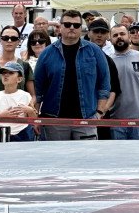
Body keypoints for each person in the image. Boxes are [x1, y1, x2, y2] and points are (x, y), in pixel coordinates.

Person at [33, 9, 111, 140]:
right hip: (54, 119)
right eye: (67, 24)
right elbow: (38, 89)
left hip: (86, 118)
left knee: (87, 159)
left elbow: (104, 83)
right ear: (60, 26)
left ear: (81, 28)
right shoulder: (47, 53)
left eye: (76, 25)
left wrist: (99, 112)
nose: (72, 28)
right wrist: (35, 118)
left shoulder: (94, 51)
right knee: (57, 159)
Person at [108, 24, 139, 140]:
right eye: (115, 35)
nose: (119, 37)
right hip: (115, 120)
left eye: (122, 34)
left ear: (129, 37)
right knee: (118, 157)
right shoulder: (107, 61)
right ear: (110, 40)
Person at [0, 25, 35, 101]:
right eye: (5, 38)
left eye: (13, 38)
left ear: (18, 42)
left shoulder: (25, 66)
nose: (9, 41)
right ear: (0, 41)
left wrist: (27, 108)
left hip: (18, 111)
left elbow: (33, 95)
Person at [0, 61, 37, 142]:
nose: (6, 75)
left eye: (11, 73)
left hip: (23, 133)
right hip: (1, 134)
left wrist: (30, 110)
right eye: (3, 73)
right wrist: (2, 116)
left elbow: (35, 119)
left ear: (19, 79)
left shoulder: (26, 96)